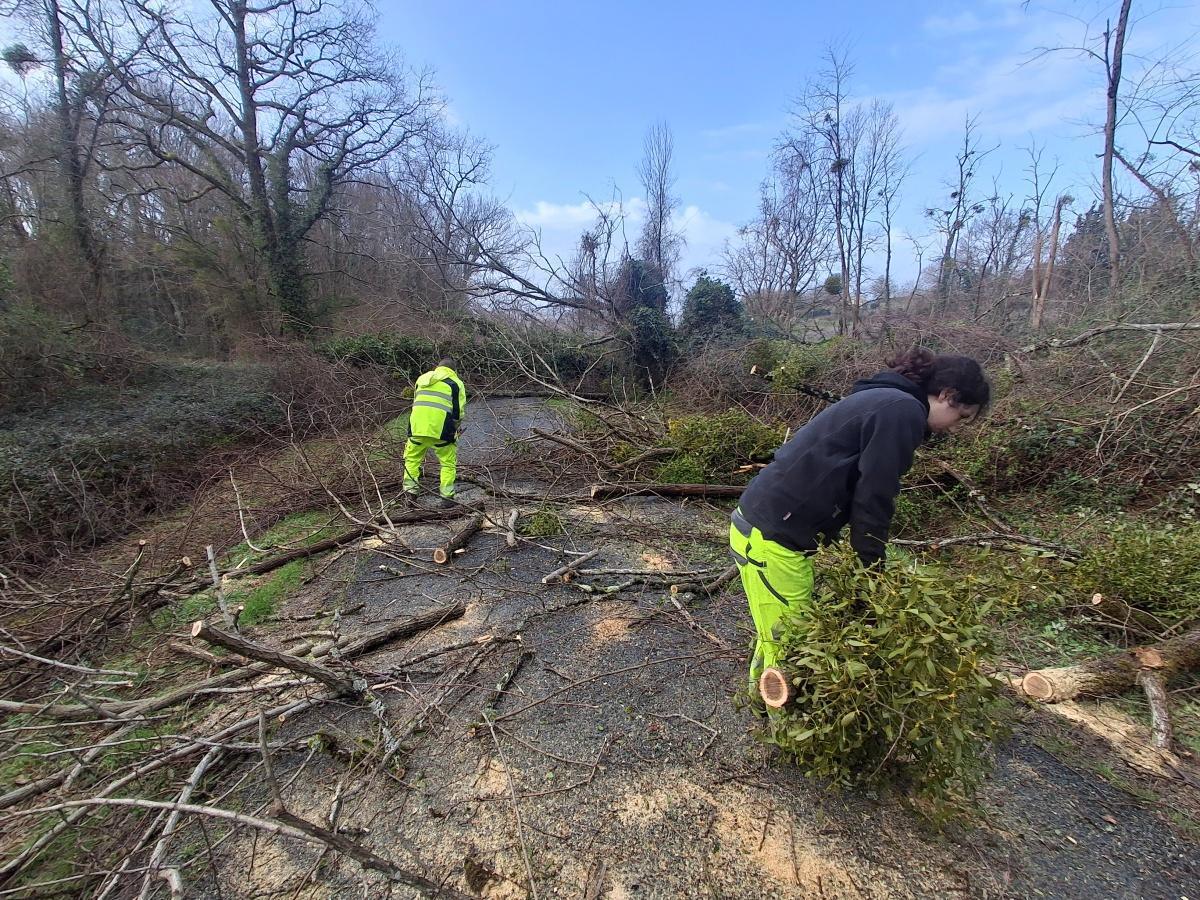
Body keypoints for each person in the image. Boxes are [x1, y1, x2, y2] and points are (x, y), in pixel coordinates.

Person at [730, 348, 990, 699]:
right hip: (774, 537)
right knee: (797, 647)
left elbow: (852, 487)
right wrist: (871, 572)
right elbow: (875, 496)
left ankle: (759, 704)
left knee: (776, 634)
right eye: (962, 416)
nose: (955, 428)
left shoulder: (885, 400)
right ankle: (785, 732)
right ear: (947, 396)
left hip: (768, 526)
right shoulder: (903, 411)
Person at [403, 357, 467, 506]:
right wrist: (455, 430)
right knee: (447, 463)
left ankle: (410, 495)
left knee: (412, 460)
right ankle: (447, 498)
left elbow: (416, 403)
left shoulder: (422, 379)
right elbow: (458, 413)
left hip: (416, 428)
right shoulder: (456, 383)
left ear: (438, 367)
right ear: (453, 370)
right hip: (441, 430)